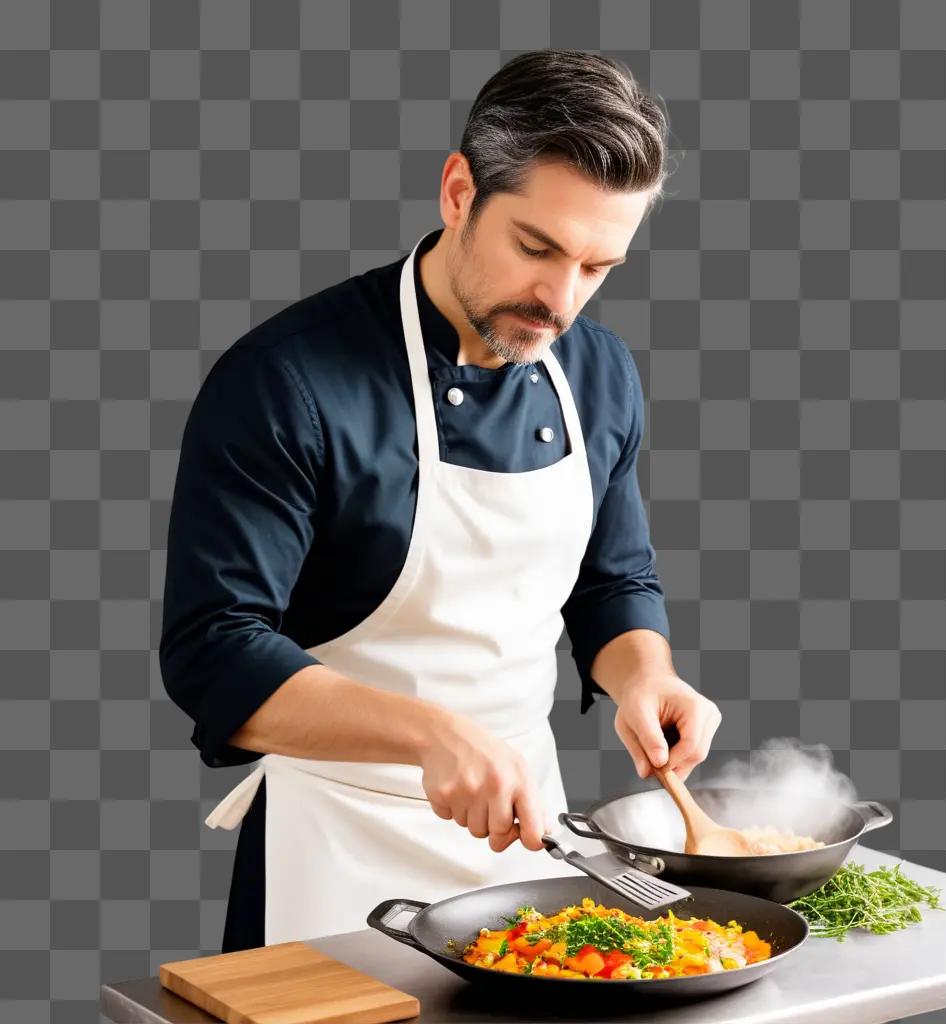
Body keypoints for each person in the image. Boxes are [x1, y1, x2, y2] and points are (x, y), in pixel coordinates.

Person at [160, 49, 721, 952]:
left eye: (597, 265)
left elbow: (612, 580)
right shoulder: (287, 383)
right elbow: (212, 653)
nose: (559, 299)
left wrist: (642, 674)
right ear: (459, 192)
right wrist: (431, 736)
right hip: (337, 845)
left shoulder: (599, 373)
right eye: (536, 248)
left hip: (533, 847)